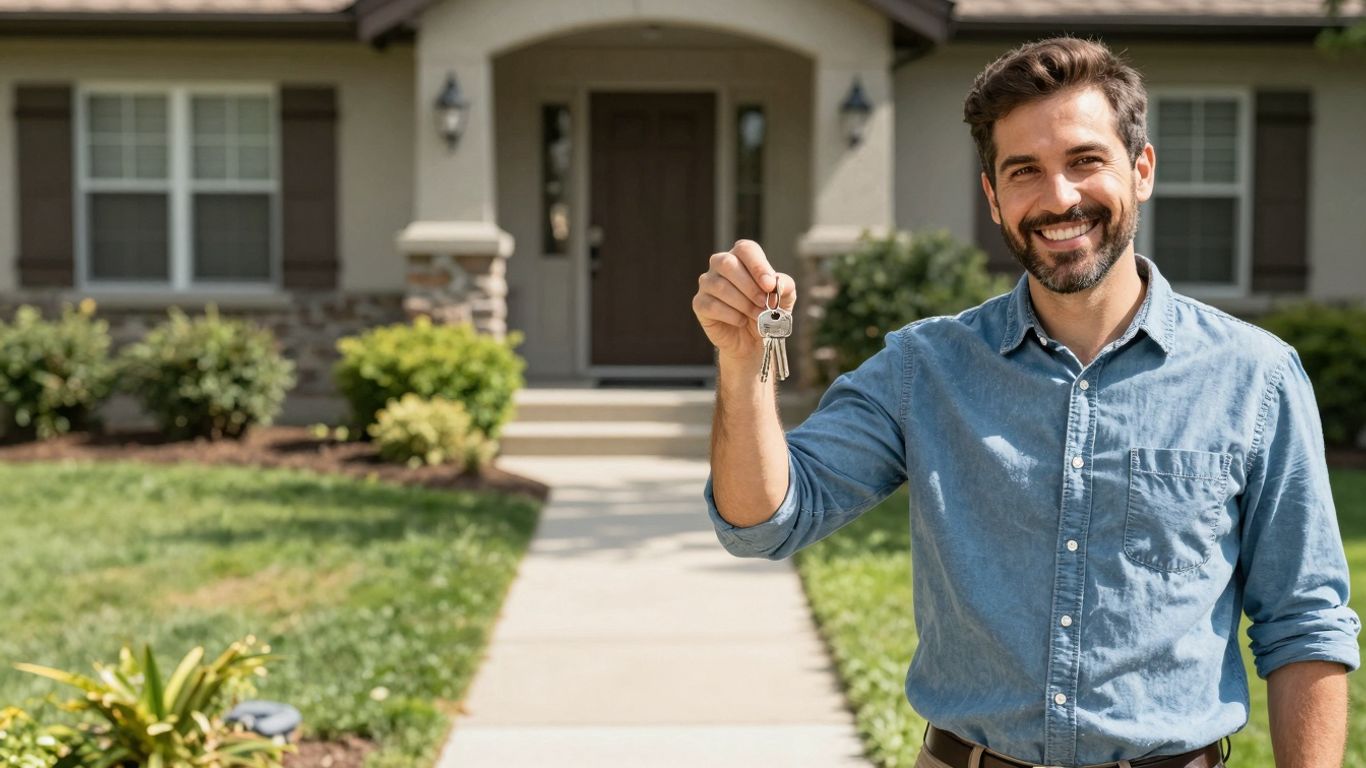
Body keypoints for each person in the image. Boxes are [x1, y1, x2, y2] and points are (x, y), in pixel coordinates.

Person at [691, 37, 1359, 768]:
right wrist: (743, 365)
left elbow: (1305, 623)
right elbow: (763, 523)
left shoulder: (1254, 377)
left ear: (1141, 170)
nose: (1059, 197)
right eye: (1024, 172)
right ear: (994, 197)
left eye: (1085, 160)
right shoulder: (926, 368)